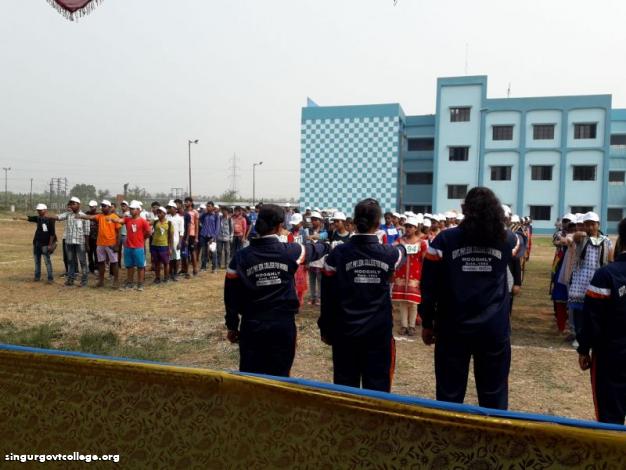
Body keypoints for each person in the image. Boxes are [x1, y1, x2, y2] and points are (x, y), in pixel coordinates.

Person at [419, 187, 520, 410]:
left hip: (453, 326)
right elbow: (516, 248)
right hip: (493, 328)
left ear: (464, 209)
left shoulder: (445, 240)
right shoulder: (507, 239)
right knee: (494, 394)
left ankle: (450, 431)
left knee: (449, 394)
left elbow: (429, 286)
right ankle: (492, 430)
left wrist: (427, 321)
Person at [224, 204, 329, 376]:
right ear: (280, 226)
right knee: (280, 376)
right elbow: (313, 251)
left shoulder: (240, 257)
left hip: (252, 325)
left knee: (251, 377)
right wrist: (327, 246)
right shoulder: (290, 252)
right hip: (282, 325)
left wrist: (232, 326)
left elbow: (231, 296)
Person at [319, 198, 406, 392]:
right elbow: (402, 252)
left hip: (345, 331)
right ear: (378, 223)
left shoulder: (338, 254)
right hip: (378, 333)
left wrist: (325, 327)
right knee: (377, 390)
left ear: (355, 222)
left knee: (346, 388)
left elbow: (328, 296)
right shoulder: (389, 254)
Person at [577, 218, 626, 424]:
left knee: (610, 418)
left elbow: (592, 317)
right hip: (613, 353)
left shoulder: (606, 275)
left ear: (621, 240)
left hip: (611, 356)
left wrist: (584, 349)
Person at [566, 212, 613, 346]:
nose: (590, 227)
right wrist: (579, 233)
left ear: (598, 225)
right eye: (587, 224)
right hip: (581, 279)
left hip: (599, 278)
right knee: (579, 310)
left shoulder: (606, 241)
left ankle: (594, 337)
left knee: (596, 310)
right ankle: (579, 337)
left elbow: (610, 260)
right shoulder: (581, 238)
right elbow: (572, 238)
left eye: (593, 224)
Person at [391, 215, 428, 336]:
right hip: (401, 275)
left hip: (415, 276)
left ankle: (411, 326)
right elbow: (392, 252)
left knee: (413, 303)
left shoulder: (422, 243)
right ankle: (404, 325)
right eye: (406, 226)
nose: (407, 228)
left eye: (410, 226)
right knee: (402, 302)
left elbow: (425, 260)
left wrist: (424, 275)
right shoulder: (399, 241)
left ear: (416, 228)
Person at [108, 201, 152, 291]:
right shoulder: (128, 219)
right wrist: (112, 218)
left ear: (138, 210)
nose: (131, 210)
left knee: (140, 266)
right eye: (130, 209)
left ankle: (140, 284)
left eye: (133, 209)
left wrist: (143, 238)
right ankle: (130, 283)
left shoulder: (143, 221)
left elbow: (149, 232)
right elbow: (119, 220)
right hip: (128, 247)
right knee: (130, 266)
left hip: (138, 247)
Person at [49, 197, 90, 287]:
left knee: (82, 261)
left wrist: (87, 244)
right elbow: (58, 217)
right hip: (69, 242)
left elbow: (87, 232)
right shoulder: (68, 215)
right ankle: (70, 279)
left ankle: (84, 281)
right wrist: (46, 215)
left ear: (79, 205)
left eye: (73, 204)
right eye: (71, 204)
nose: (71, 206)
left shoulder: (84, 216)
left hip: (80, 243)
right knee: (70, 261)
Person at [79, 200, 120, 288]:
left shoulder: (114, 217)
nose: (102, 208)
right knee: (101, 262)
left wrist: (117, 245)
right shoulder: (100, 216)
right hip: (100, 244)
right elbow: (90, 217)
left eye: (104, 206)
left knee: (114, 262)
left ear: (109, 207)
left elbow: (119, 232)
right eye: (102, 206)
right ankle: (101, 281)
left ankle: (116, 281)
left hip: (111, 244)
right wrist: (81, 216)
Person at [18, 203, 57, 283]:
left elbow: (52, 234)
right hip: (37, 243)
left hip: (45, 244)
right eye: (38, 210)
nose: (39, 212)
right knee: (37, 261)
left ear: (45, 210)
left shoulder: (50, 219)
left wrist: (50, 245)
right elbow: (29, 218)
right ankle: (37, 277)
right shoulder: (38, 218)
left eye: (40, 210)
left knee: (47, 262)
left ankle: (50, 278)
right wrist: (19, 217)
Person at [306, 211, 328, 306]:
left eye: (315, 220)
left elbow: (322, 237)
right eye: (312, 220)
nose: (313, 222)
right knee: (311, 280)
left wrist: (312, 237)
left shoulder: (324, 231)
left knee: (320, 280)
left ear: (320, 221)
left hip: (320, 260)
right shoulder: (308, 230)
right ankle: (312, 297)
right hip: (311, 260)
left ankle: (319, 298)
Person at [151, 207, 173, 283]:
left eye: (160, 212)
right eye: (158, 212)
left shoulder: (169, 223)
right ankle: (157, 278)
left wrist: (170, 248)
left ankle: (166, 277)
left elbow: (171, 237)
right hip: (154, 245)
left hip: (164, 246)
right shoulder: (155, 222)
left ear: (164, 213)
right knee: (157, 263)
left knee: (166, 263)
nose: (158, 214)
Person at [166, 201, 185, 281]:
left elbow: (181, 232)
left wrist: (180, 242)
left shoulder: (180, 218)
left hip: (176, 241)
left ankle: (175, 273)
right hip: (167, 241)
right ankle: (170, 273)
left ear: (174, 208)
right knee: (170, 258)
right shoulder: (167, 217)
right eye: (168, 207)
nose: (168, 209)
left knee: (177, 258)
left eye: (170, 208)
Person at [199, 201, 220, 273]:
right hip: (204, 235)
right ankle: (203, 267)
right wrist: (204, 212)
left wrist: (214, 237)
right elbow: (199, 218)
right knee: (204, 252)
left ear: (213, 207)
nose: (207, 207)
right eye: (207, 206)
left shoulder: (216, 216)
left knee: (213, 252)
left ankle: (214, 268)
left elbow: (217, 228)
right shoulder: (205, 215)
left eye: (209, 206)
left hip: (212, 236)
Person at [183, 197, 200, 276]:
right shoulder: (184, 212)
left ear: (191, 202)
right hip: (184, 234)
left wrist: (196, 237)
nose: (186, 203)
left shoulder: (195, 212)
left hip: (192, 234)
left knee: (192, 252)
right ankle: (186, 270)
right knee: (185, 253)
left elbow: (196, 225)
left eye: (187, 201)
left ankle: (195, 269)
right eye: (185, 201)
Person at [86, 200, 99, 273]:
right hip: (88, 237)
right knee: (89, 253)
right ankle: (91, 267)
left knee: (96, 253)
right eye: (91, 207)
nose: (92, 208)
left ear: (96, 207)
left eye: (93, 207)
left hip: (97, 237)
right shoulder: (86, 214)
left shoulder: (99, 215)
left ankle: (97, 267)